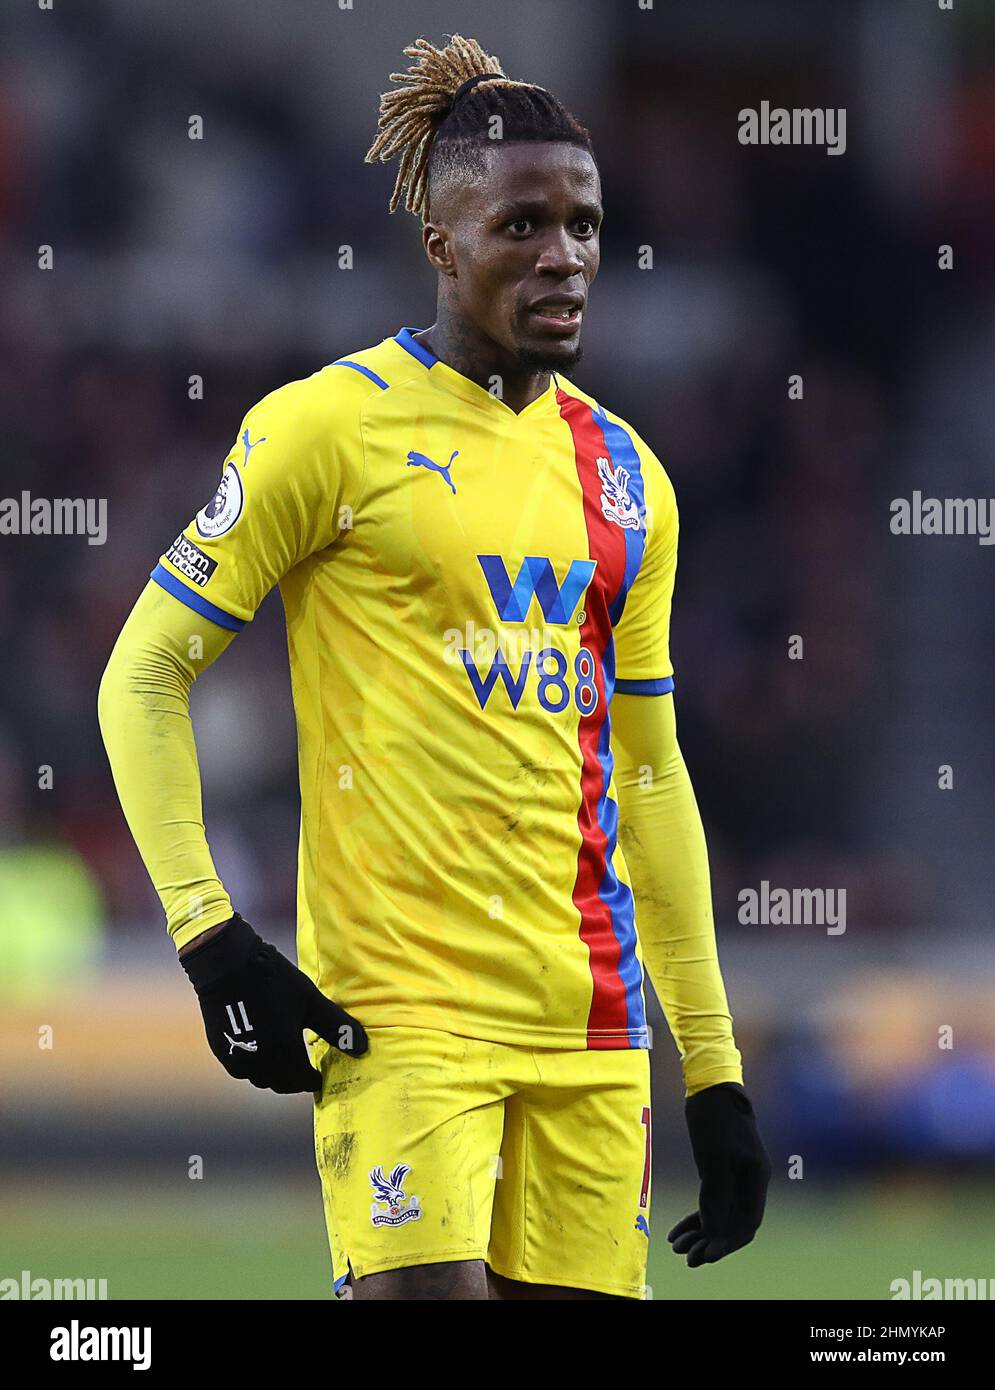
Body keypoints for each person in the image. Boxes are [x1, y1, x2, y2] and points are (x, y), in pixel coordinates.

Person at [98, 32, 769, 1302]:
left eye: (582, 222)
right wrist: (208, 934)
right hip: (398, 1013)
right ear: (441, 246)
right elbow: (141, 675)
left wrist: (714, 1069)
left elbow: (651, 776)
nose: (565, 254)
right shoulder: (324, 431)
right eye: (522, 224)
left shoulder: (629, 479)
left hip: (589, 1021)